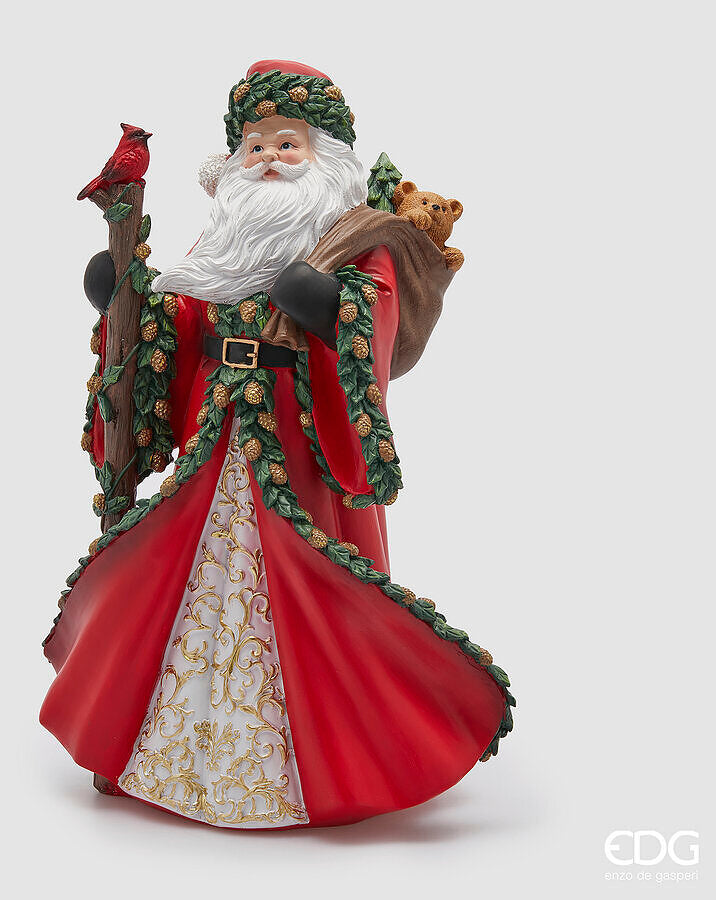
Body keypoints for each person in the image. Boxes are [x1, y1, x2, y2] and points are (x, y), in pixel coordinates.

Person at [40, 60, 513, 829]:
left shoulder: (358, 238)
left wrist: (327, 305)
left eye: (287, 144)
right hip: (217, 442)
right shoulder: (224, 241)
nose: (267, 159)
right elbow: (186, 322)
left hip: (299, 444)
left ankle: (322, 761)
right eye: (254, 146)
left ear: (323, 156)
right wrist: (132, 305)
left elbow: (377, 322)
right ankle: (147, 741)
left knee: (307, 588)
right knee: (173, 583)